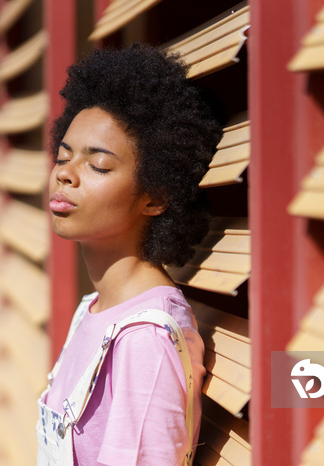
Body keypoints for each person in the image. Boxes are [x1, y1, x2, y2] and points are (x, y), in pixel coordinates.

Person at [37, 43, 223, 466]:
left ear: (155, 198)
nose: (64, 173)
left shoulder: (145, 339)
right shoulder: (96, 309)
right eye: (64, 156)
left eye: (97, 166)